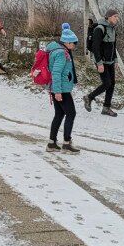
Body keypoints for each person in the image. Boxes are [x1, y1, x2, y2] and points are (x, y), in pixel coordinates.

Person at [46, 24, 80, 153]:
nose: (74, 46)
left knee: (59, 114)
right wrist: (58, 91)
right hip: (62, 89)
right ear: (67, 42)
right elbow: (56, 72)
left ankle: (52, 143)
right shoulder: (61, 53)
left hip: (58, 88)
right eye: (73, 43)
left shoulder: (58, 50)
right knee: (71, 113)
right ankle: (66, 143)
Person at [85, 9, 120, 116]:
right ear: (108, 17)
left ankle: (106, 108)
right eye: (115, 16)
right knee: (107, 83)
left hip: (110, 61)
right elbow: (95, 48)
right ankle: (89, 97)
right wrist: (99, 63)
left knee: (112, 83)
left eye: (117, 17)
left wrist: (116, 60)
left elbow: (114, 47)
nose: (117, 19)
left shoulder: (113, 29)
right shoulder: (99, 29)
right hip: (101, 61)